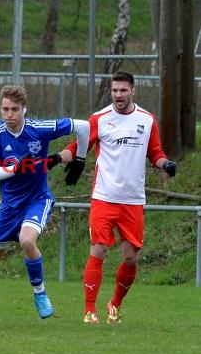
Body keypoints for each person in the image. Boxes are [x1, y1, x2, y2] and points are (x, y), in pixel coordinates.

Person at [49, 70, 176, 324]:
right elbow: (77, 147)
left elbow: (155, 152)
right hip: (104, 196)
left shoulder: (147, 119)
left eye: (123, 90)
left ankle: (114, 304)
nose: (118, 95)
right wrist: (54, 158)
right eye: (115, 90)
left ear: (133, 91)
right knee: (98, 249)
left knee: (131, 257)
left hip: (133, 199)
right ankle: (89, 310)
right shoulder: (100, 118)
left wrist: (165, 164)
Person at [0, 84, 90, 325]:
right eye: (5, 109)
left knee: (27, 240)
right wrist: (15, 167)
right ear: (0, 109)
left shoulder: (39, 129)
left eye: (14, 109)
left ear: (24, 109)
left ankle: (40, 294)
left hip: (37, 199)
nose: (9, 115)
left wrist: (80, 159)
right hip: (10, 206)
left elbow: (83, 126)